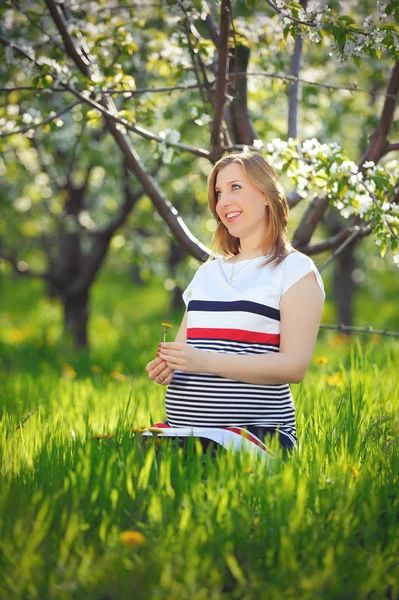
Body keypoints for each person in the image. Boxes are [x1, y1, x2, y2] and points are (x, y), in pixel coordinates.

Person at [145, 151, 325, 458]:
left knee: (187, 461)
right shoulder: (207, 272)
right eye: (218, 192)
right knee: (104, 457)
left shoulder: (295, 270)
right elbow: (185, 354)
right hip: (183, 430)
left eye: (235, 187)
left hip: (257, 434)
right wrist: (168, 368)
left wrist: (204, 362)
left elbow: (294, 366)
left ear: (267, 194)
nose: (223, 201)